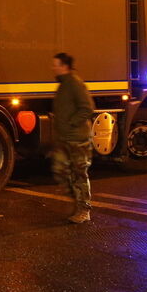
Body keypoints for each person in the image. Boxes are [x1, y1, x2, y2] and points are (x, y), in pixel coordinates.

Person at [51, 53, 95, 224]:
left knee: (79, 174)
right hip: (66, 138)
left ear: (64, 66)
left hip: (78, 139)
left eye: (56, 64)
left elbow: (87, 108)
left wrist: (71, 123)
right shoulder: (63, 84)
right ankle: (78, 204)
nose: (53, 67)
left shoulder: (74, 83)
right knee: (62, 171)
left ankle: (84, 209)